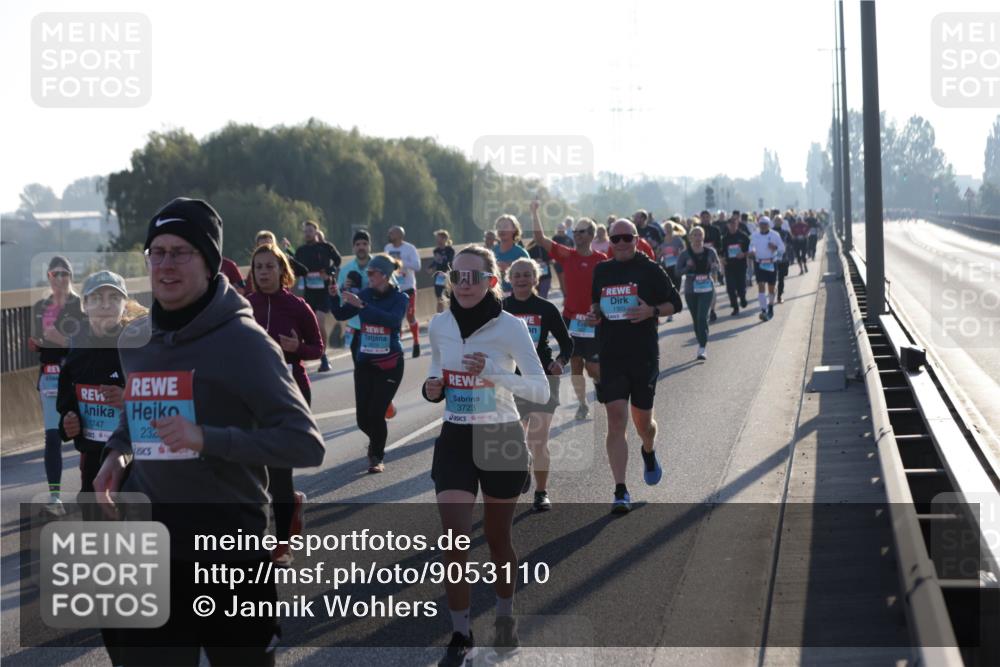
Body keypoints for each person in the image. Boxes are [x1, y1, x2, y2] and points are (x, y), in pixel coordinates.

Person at [93, 197, 324, 665]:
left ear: (211, 261)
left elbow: (305, 443)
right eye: (156, 252)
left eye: (181, 252)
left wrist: (206, 439)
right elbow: (137, 409)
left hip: (230, 550)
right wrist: (116, 455)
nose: (165, 264)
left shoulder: (245, 342)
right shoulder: (134, 340)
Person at [422, 246, 548, 665]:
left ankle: (505, 618)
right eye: (457, 276)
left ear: (492, 281)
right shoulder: (439, 324)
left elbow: (540, 390)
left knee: (497, 541)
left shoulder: (510, 327)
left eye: (474, 277)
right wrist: (432, 389)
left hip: (500, 438)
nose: (464, 284)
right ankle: (460, 633)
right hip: (456, 436)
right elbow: (434, 373)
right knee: (454, 540)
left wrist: (493, 373)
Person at [53, 270, 141, 667]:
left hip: (136, 460)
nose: (105, 305)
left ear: (124, 304)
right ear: (84, 305)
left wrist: (128, 399)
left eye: (113, 298)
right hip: (92, 458)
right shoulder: (77, 349)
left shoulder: (138, 346)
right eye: (97, 298)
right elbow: (66, 406)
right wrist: (68, 422)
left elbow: (158, 400)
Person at [589, 219, 683, 513]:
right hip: (611, 355)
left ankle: (649, 450)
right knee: (616, 419)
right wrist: (594, 315)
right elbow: (596, 305)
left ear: (636, 238)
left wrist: (651, 311)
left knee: (644, 424)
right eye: (615, 238)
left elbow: (675, 304)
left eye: (626, 237)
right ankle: (620, 490)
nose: (620, 243)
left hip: (642, 355)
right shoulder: (602, 271)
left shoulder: (650, 269)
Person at [246, 243, 324, 567]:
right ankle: (285, 507)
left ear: (282, 271)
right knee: (251, 470)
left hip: (290, 393)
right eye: (258, 267)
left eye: (269, 266)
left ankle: (281, 545)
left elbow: (318, 349)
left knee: (279, 471)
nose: (264, 272)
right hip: (250, 394)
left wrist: (297, 347)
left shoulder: (298, 306)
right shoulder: (243, 307)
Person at [503, 258, 573, 512]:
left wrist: (560, 361)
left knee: (538, 439)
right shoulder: (500, 308)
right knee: (515, 439)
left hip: (541, 378)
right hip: (509, 381)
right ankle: (524, 462)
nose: (521, 279)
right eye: (517, 275)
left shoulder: (546, 308)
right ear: (509, 279)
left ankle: (541, 493)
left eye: (526, 275)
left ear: (536, 279)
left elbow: (567, 343)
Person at [330, 254, 409, 473]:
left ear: (384, 275)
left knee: (375, 414)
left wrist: (363, 306)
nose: (369, 277)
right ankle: (378, 433)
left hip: (390, 363)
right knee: (363, 420)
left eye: (372, 273)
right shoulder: (365, 294)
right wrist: (333, 297)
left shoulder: (400, 298)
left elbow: (391, 320)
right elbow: (340, 313)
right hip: (365, 362)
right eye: (368, 274)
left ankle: (376, 456)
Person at [530, 200, 606, 421]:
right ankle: (582, 404)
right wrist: (534, 213)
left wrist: (599, 309)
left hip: (593, 321)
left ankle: (599, 384)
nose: (577, 235)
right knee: (575, 364)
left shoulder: (601, 261)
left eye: (581, 232)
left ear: (591, 235)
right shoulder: (567, 255)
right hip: (571, 319)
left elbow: (608, 290)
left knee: (593, 368)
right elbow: (541, 240)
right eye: (575, 232)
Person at [29, 255, 84, 516]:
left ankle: (97, 492)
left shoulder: (79, 306)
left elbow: (82, 344)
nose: (60, 279)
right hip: (49, 377)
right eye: (55, 274)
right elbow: (43, 341)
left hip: (74, 376)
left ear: (71, 277)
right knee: (52, 437)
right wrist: (38, 343)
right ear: (49, 277)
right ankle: (55, 497)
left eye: (65, 274)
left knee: (88, 436)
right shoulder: (41, 306)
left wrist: (60, 340)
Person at [293, 220, 341, 371]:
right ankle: (309, 354)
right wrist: (303, 273)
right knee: (309, 324)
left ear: (316, 232)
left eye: (310, 231)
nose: (308, 234)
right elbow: (295, 267)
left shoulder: (325, 247)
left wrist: (329, 272)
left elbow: (338, 261)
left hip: (325, 292)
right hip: (310, 292)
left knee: (319, 321)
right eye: (305, 231)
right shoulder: (301, 251)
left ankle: (324, 356)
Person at [676, 227, 720, 360]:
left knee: (702, 317)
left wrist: (714, 267)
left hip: (706, 287)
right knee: (696, 319)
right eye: (694, 235)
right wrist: (687, 267)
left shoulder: (710, 251)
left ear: (703, 237)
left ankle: (702, 346)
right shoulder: (684, 254)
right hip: (691, 289)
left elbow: (717, 266)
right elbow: (677, 272)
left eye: (700, 234)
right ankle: (701, 340)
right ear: (690, 238)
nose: (697, 237)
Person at [385, 225, 423, 357]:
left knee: (410, 315)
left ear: (400, 235)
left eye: (392, 233)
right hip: (394, 286)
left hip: (408, 287)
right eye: (389, 233)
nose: (389, 235)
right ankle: (397, 347)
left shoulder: (409, 248)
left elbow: (417, 266)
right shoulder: (387, 248)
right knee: (396, 317)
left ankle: (416, 342)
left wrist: (401, 263)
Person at [336, 229, 375, 349]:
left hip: (376, 324)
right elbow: (339, 298)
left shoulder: (380, 265)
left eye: (364, 244)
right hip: (354, 324)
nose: (361, 247)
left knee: (376, 365)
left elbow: (394, 290)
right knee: (358, 365)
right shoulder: (345, 270)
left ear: (369, 246)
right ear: (353, 248)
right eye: (357, 244)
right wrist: (344, 288)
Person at [748, 216, 786, 321]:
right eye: (761, 224)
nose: (763, 226)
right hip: (759, 263)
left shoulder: (774, 235)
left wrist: (775, 248)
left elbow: (782, 248)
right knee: (760, 286)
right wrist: (752, 252)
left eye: (765, 224)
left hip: (771, 263)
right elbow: (751, 246)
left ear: (769, 225)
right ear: (758, 225)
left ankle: (770, 306)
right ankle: (763, 310)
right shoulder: (754, 235)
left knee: (771, 288)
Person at [492, 215, 530, 294]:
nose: (502, 229)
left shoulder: (521, 254)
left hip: (517, 296)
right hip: (496, 295)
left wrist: (510, 268)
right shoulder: (492, 252)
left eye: (505, 226)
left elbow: (530, 277)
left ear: (514, 229)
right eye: (499, 226)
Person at [721, 216, 751, 315]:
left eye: (735, 223)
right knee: (730, 288)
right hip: (729, 266)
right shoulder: (724, 238)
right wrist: (722, 259)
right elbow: (721, 253)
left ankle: (742, 298)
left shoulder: (743, 236)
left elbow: (750, 250)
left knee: (741, 286)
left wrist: (744, 254)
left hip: (741, 266)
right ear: (728, 225)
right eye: (731, 224)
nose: (733, 226)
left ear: (737, 224)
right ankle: (735, 307)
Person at [658, 226, 686, 322]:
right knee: (669, 288)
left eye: (669, 228)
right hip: (667, 267)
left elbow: (684, 250)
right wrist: (661, 253)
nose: (668, 230)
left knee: (677, 287)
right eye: (666, 229)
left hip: (677, 266)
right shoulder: (662, 240)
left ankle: (677, 303)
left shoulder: (677, 239)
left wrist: (679, 252)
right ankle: (670, 313)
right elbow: (659, 254)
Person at [428, 229, 456, 313]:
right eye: (436, 238)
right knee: (439, 297)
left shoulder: (450, 250)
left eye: (438, 238)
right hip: (439, 276)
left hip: (448, 275)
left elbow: (450, 262)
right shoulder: (436, 251)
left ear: (444, 239)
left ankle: (452, 315)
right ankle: (439, 317)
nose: (437, 240)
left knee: (450, 297)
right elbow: (436, 261)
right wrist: (431, 267)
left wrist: (446, 270)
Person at [772, 216, 792, 304]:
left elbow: (791, 243)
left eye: (779, 221)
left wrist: (786, 247)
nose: (778, 222)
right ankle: (779, 296)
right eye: (776, 221)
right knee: (773, 278)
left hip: (784, 258)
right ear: (773, 222)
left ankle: (779, 292)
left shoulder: (785, 233)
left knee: (782, 277)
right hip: (773, 259)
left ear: (782, 222)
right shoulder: (770, 233)